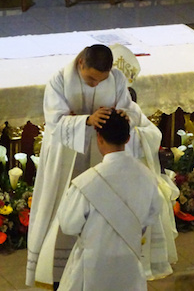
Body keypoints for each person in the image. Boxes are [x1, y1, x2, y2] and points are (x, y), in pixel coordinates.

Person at [26, 45, 177, 288]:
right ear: (81, 64)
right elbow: (54, 122)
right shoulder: (59, 81)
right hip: (67, 157)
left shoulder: (116, 78)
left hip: (104, 151)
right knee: (64, 209)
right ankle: (56, 271)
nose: (96, 84)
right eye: (91, 79)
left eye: (101, 80)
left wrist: (120, 114)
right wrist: (87, 119)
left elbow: (128, 108)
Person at [56, 111, 162, 291]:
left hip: (93, 263)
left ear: (99, 138)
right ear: (128, 139)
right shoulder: (147, 177)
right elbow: (152, 215)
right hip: (130, 261)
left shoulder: (86, 183)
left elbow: (68, 224)